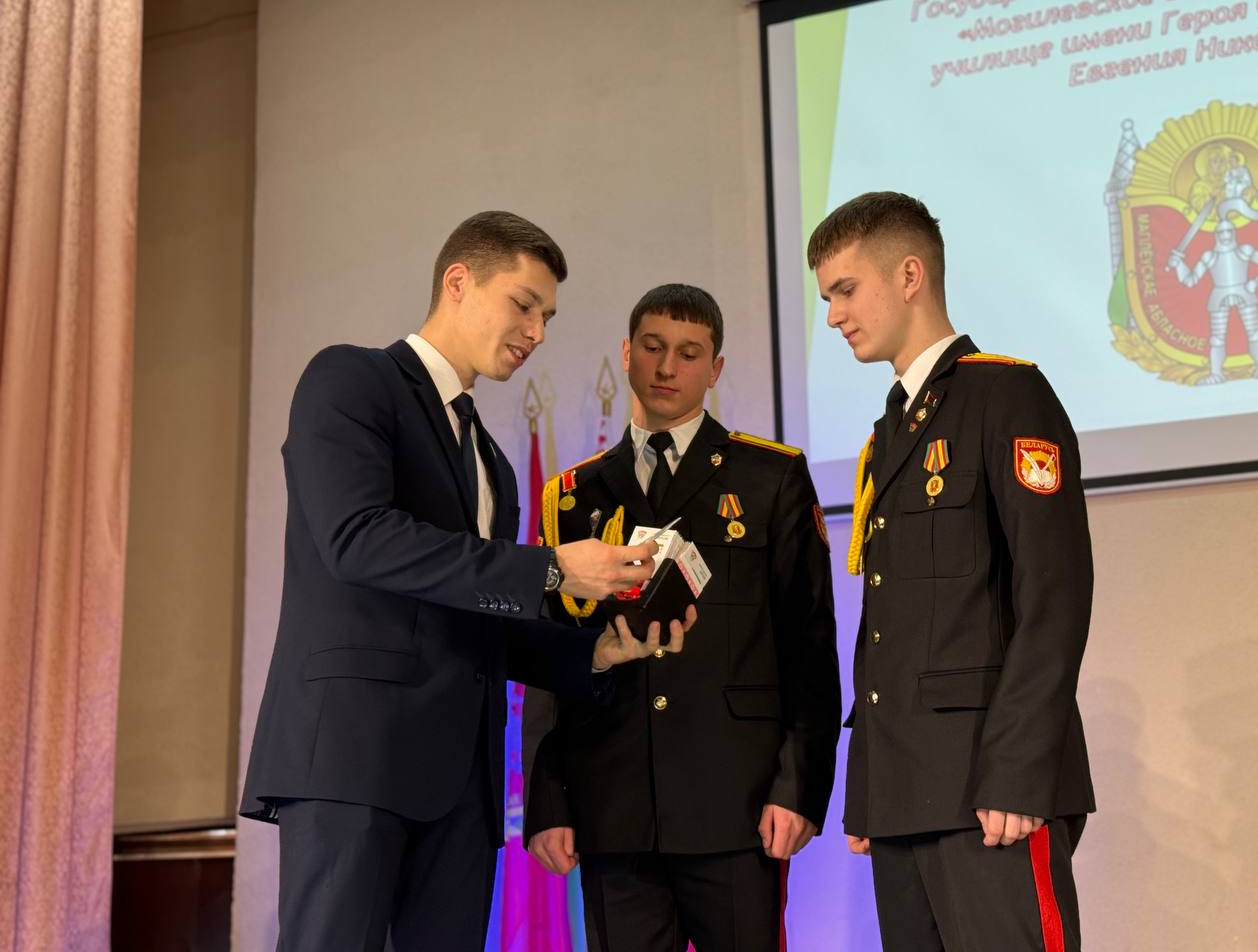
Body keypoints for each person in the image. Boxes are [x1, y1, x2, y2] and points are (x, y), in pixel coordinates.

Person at [239, 211, 693, 952]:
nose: (537, 332)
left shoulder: (494, 462)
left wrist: (594, 652)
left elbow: (476, 614)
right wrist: (553, 566)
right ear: (458, 281)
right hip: (354, 760)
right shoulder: (349, 378)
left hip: (462, 785)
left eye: (547, 317)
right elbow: (358, 540)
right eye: (524, 304)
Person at [808, 191, 1095, 952]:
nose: (833, 315)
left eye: (845, 290)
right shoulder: (888, 431)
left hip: (989, 790)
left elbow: (1055, 596)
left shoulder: (1007, 395)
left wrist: (1019, 773)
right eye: (827, 297)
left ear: (909, 276)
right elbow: (889, 625)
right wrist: (868, 788)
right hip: (904, 796)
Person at [522, 284, 841, 952]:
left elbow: (809, 646)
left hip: (738, 806)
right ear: (627, 354)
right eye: (653, 347)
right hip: (613, 807)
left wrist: (799, 788)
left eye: (689, 353)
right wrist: (548, 801)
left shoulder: (770, 478)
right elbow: (550, 660)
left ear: (715, 369)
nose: (667, 367)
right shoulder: (573, 496)